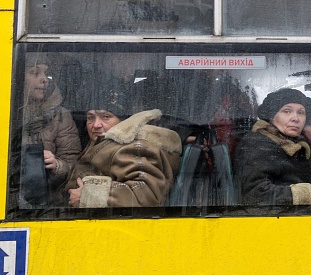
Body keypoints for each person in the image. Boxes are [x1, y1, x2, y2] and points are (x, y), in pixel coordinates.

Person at [65, 87, 182, 207]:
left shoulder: (134, 147)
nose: (96, 125)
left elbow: (143, 196)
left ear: (124, 120)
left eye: (106, 117)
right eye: (91, 117)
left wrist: (87, 196)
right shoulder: (102, 141)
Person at [10, 54, 82, 209]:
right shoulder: (8, 112)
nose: (45, 79)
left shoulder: (61, 115)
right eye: (35, 73)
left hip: (46, 206)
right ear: (18, 77)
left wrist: (56, 165)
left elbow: (75, 166)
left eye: (47, 74)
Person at [233, 89, 311, 206]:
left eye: (301, 112)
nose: (295, 118)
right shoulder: (258, 145)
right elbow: (254, 194)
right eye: (287, 111)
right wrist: (302, 194)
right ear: (272, 116)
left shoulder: (304, 147)